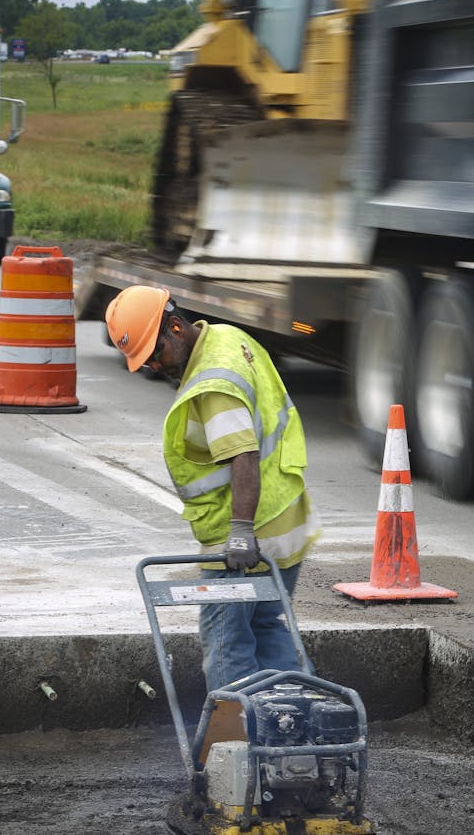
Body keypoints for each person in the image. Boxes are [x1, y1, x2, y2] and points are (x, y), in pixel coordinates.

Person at [106, 285, 319, 691]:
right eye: (143, 360)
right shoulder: (227, 337)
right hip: (284, 520)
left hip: (244, 540)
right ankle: (296, 731)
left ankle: (236, 744)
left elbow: (243, 454)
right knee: (268, 627)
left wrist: (240, 530)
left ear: (175, 327)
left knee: (227, 645)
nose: (152, 365)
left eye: (155, 352)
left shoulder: (212, 385)